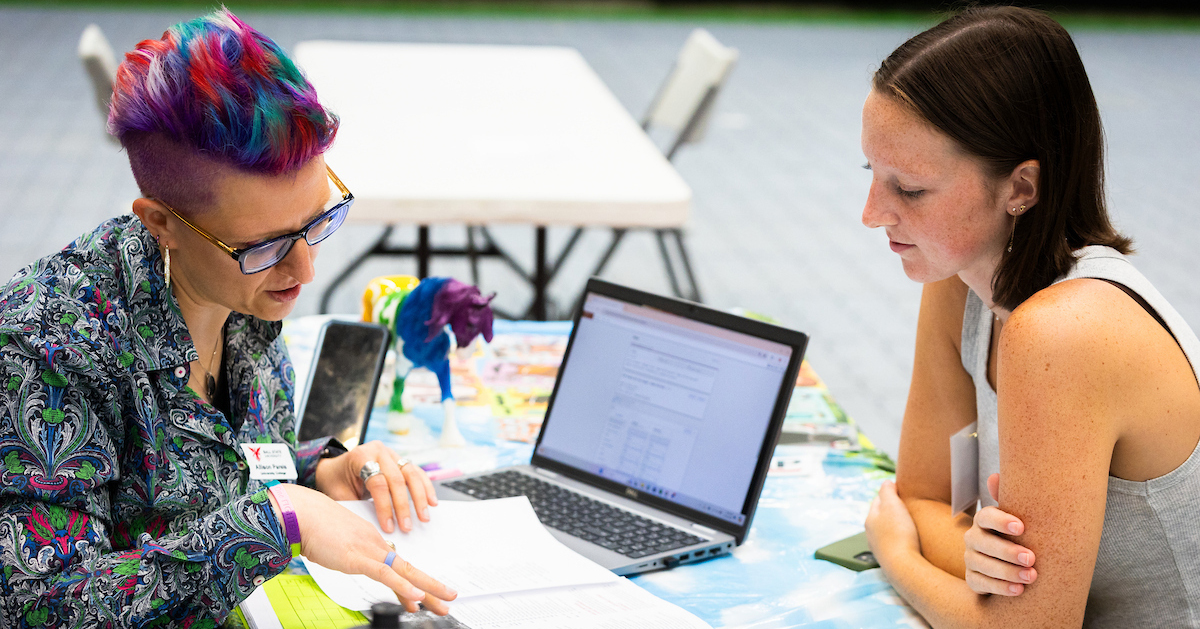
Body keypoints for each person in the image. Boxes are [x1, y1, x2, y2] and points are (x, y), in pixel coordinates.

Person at [0, 10, 456, 627]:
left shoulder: (246, 293)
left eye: (317, 220)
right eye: (266, 245)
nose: (305, 272)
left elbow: (232, 466)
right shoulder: (45, 350)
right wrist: (274, 522)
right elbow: (35, 605)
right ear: (161, 222)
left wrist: (322, 473)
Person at [859, 6, 1200, 628]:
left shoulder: (1065, 334)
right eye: (871, 174)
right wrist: (970, 551)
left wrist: (899, 554)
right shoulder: (958, 279)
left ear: (1021, 188)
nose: (872, 212)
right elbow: (924, 497)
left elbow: (1026, 626)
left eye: (909, 189)